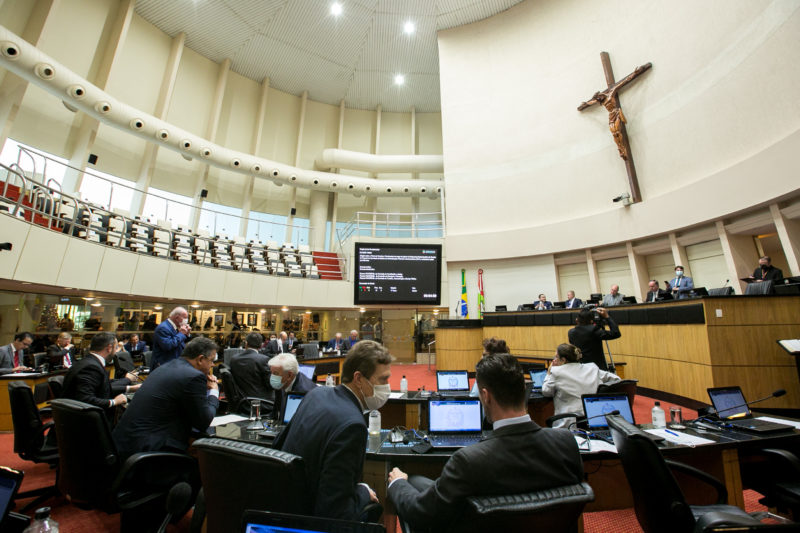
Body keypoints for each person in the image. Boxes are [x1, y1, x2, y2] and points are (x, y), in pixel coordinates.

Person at [387, 353, 584, 530]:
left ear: (486, 396)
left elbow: (421, 513)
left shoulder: (468, 460)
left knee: (409, 481)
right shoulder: (566, 442)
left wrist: (397, 484)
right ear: (523, 389)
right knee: (418, 482)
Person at [276, 340, 392, 521]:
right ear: (359, 379)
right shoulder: (352, 426)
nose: (387, 387)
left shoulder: (316, 394)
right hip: (308, 519)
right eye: (383, 380)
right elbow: (335, 512)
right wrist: (362, 491)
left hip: (283, 502)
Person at [112, 337, 220, 459]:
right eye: (211, 361)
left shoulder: (166, 367)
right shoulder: (194, 376)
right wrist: (213, 391)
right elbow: (203, 421)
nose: (212, 365)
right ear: (200, 359)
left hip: (126, 445)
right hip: (150, 453)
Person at [62, 332, 140, 418]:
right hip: (86, 423)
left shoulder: (88, 362)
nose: (115, 352)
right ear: (109, 348)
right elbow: (85, 399)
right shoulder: (90, 367)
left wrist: (130, 388)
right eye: (116, 347)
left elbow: (103, 385)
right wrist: (114, 401)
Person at [541, 343, 621, 428]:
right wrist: (600, 390)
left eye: (556, 357)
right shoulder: (592, 368)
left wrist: (549, 373)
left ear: (563, 360)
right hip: (593, 419)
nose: (554, 360)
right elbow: (616, 379)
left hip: (568, 424)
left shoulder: (557, 372)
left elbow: (546, 391)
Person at [267, 353, 316, 420]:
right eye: (271, 373)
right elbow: (275, 413)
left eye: (275, 373)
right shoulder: (282, 383)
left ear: (289, 375)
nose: (272, 377)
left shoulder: (303, 392)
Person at [229, 332, 273, 401]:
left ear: (246, 343)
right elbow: (270, 384)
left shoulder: (234, 359)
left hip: (240, 401)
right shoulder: (264, 359)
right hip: (261, 401)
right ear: (261, 345)